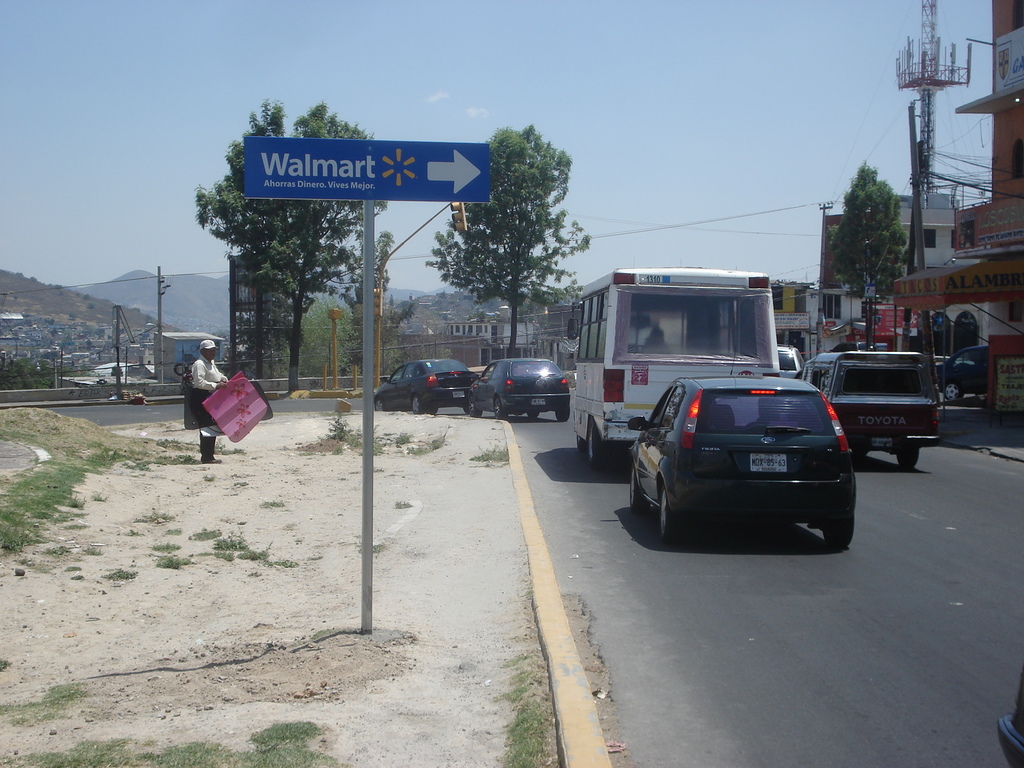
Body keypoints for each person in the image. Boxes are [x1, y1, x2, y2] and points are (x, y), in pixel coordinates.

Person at [191, 339, 228, 464]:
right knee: (206, 427)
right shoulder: (199, 364)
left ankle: (210, 455)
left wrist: (222, 378)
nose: (212, 353)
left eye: (213, 350)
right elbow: (199, 382)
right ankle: (206, 456)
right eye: (209, 351)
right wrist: (215, 385)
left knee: (212, 426)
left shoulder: (211, 363)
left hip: (212, 398)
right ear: (202, 351)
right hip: (202, 397)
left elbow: (216, 375)